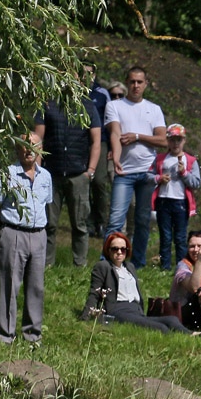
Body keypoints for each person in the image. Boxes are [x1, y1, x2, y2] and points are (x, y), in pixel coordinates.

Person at [103, 66, 167, 268]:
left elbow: (163, 140)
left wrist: (138, 136)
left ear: (146, 84)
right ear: (127, 83)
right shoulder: (115, 106)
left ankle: (138, 262)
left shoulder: (154, 109)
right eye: (132, 82)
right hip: (125, 171)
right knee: (116, 218)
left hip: (148, 171)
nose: (136, 86)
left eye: (140, 82)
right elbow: (115, 132)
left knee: (142, 219)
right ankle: (107, 261)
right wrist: (116, 158)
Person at [0, 133, 51, 345]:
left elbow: (47, 204)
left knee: (36, 286)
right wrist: (5, 233)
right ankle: (5, 335)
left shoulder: (46, 176)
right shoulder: (7, 174)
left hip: (39, 235)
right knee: (10, 285)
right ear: (17, 149)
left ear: (40, 150)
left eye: (33, 146)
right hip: (13, 233)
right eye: (24, 146)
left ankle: (32, 335)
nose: (29, 150)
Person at [33, 92, 101, 267]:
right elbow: (38, 139)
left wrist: (90, 170)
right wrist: (38, 172)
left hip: (78, 174)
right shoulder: (46, 104)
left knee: (80, 224)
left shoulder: (88, 106)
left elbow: (96, 141)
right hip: (51, 173)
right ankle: (46, 264)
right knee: (48, 224)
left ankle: (80, 265)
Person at [80, 232, 189, 333]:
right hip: (118, 310)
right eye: (115, 249)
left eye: (123, 249)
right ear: (108, 250)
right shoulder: (103, 266)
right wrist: (85, 317)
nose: (119, 252)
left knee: (172, 319)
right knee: (161, 328)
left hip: (136, 310)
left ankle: (193, 335)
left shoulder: (129, 267)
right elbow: (94, 292)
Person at [150, 124, 200, 270]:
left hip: (181, 202)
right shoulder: (160, 159)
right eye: (172, 140)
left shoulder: (190, 160)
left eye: (179, 140)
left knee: (180, 237)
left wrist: (184, 173)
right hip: (163, 200)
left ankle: (182, 266)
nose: (175, 143)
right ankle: (165, 267)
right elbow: (148, 176)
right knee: (165, 236)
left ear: (184, 141)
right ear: (167, 141)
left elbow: (196, 182)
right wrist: (159, 178)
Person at [84, 63, 112, 237]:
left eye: (89, 73)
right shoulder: (72, 92)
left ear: (94, 74)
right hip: (80, 142)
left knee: (99, 182)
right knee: (84, 183)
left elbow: (110, 121)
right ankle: (87, 222)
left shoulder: (102, 94)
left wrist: (110, 145)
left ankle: (101, 221)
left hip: (100, 142)